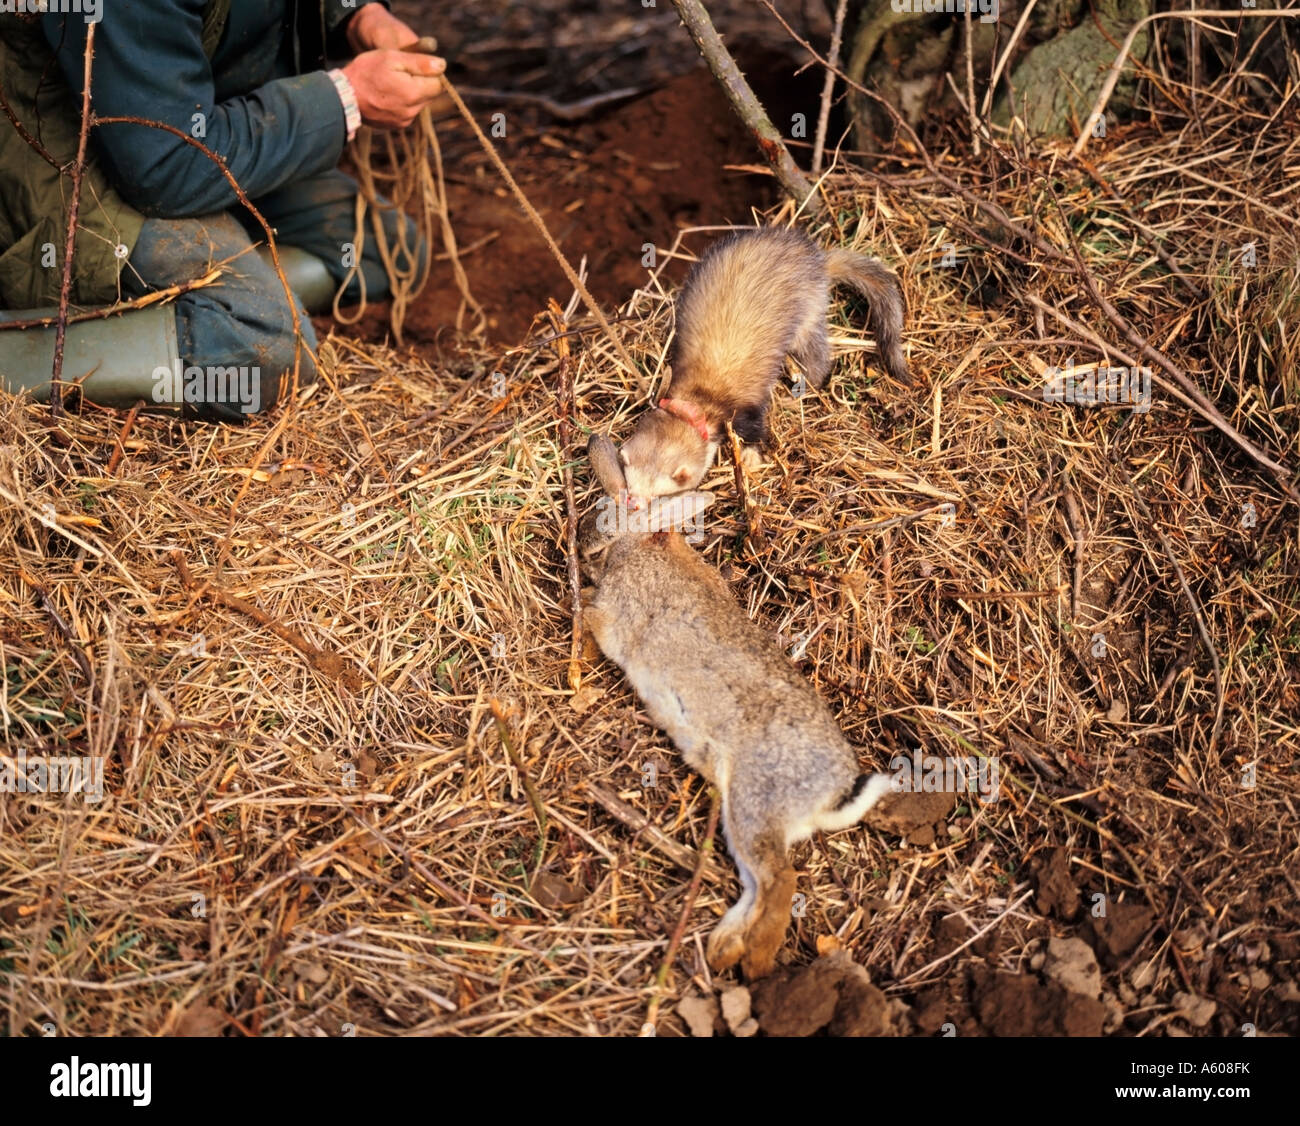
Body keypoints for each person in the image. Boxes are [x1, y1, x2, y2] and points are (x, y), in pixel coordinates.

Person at [0, 0, 446, 422]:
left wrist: (353, 14)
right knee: (263, 350)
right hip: (66, 148)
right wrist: (345, 98)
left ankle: (197, 304)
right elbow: (166, 165)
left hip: (196, 115)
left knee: (381, 248)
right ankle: (18, 360)